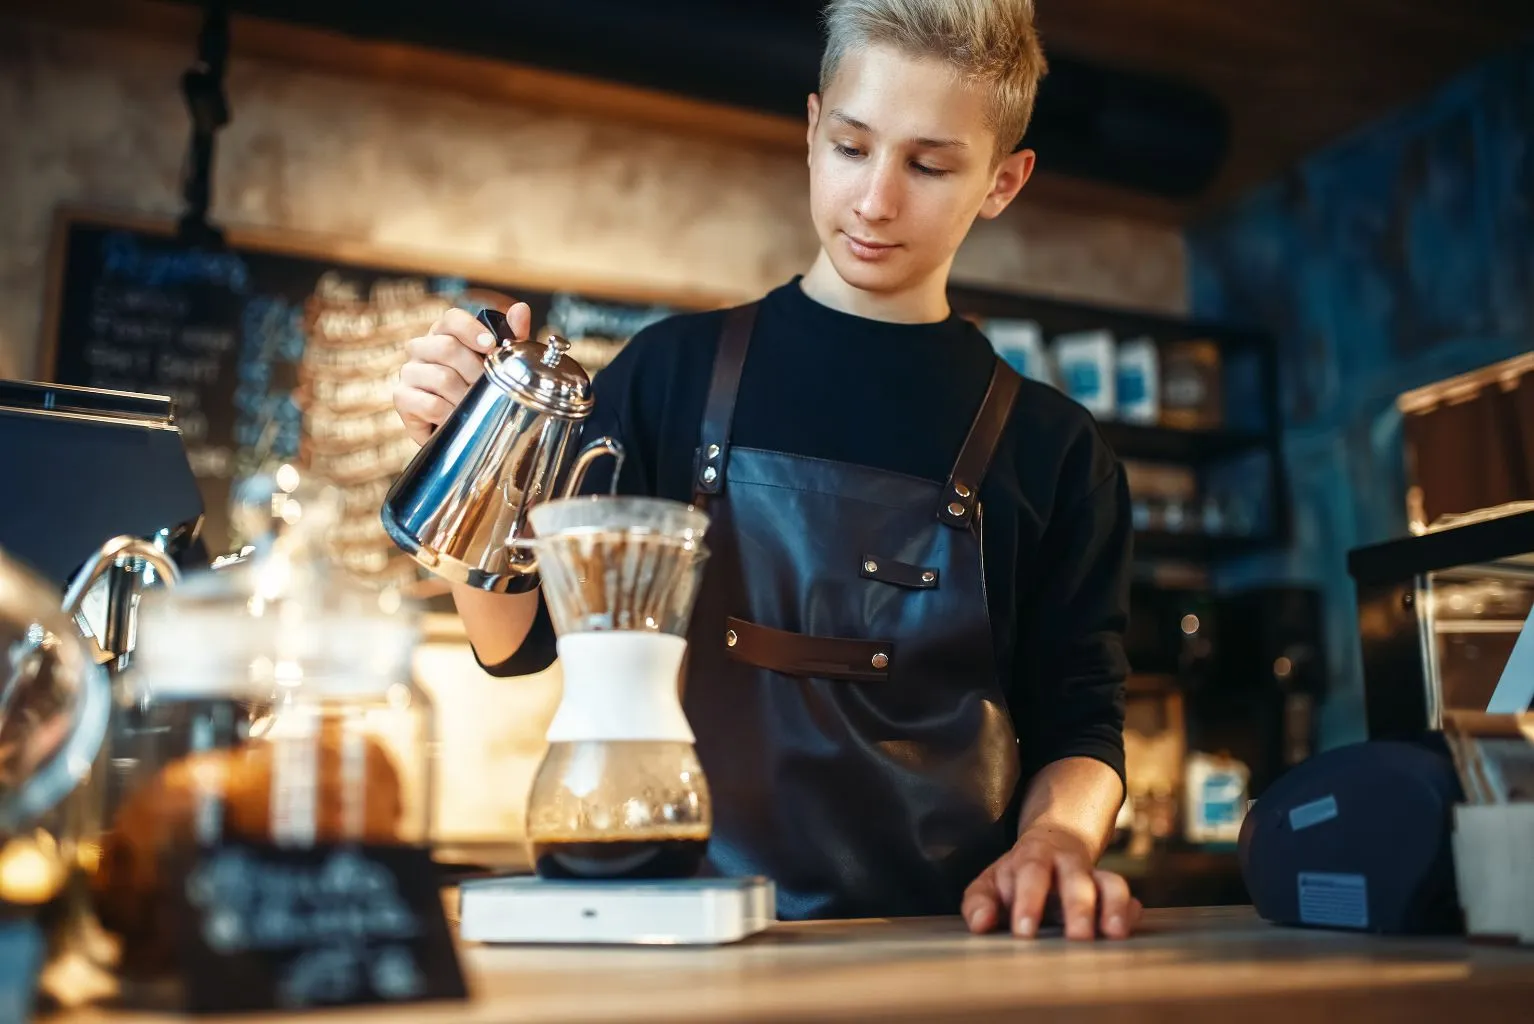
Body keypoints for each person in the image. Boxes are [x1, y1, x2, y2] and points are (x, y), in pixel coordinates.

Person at [393, 0, 1141, 941]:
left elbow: (1080, 721)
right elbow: (519, 640)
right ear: (812, 129)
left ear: (1004, 181)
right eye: (853, 147)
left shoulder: (1056, 450)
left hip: (947, 950)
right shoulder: (671, 372)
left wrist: (1060, 842)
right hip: (676, 934)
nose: (875, 200)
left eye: (929, 164)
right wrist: (469, 453)